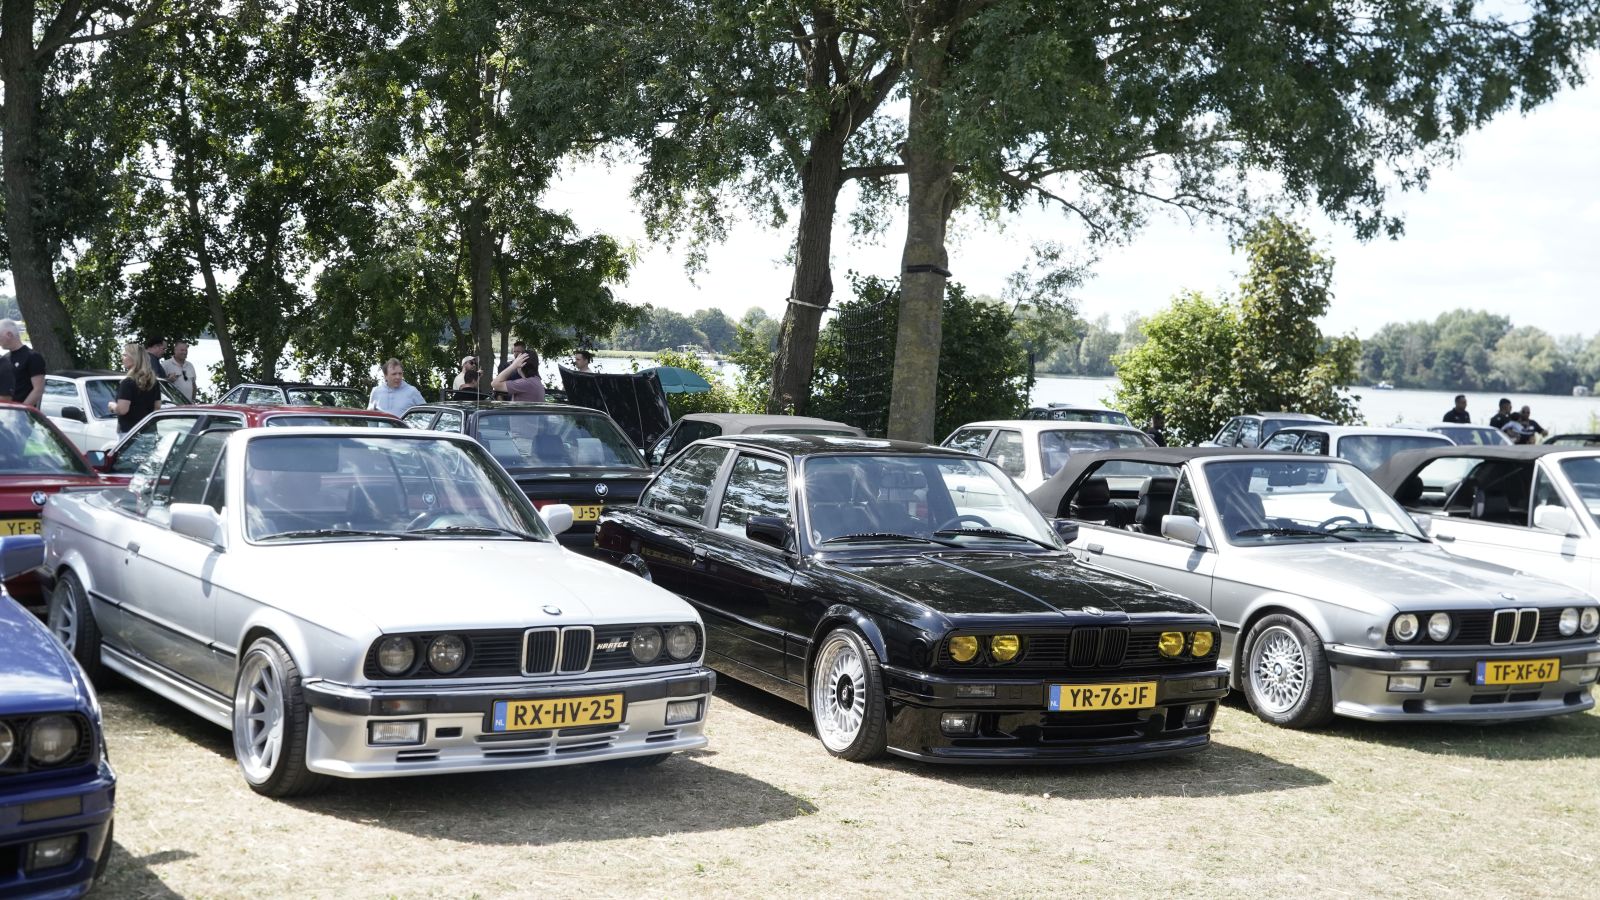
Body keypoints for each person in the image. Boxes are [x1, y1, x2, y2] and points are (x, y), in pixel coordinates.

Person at [110, 341, 162, 436]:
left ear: (134, 358)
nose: (122, 358)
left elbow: (122, 410)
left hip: (131, 434)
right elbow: (157, 407)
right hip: (149, 431)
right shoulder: (153, 382)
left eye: (125, 355)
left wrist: (112, 406)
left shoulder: (127, 382)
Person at [0, 319, 46, 407]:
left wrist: (21, 409)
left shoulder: (33, 357)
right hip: (4, 412)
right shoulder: (4, 359)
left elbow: (38, 389)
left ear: (9, 334)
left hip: (22, 413)